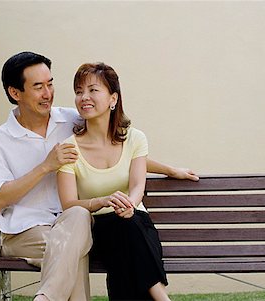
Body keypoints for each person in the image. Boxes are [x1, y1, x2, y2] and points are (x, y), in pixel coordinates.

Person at [0, 51, 198, 301]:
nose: (48, 93)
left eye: (50, 84)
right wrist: (45, 167)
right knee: (73, 248)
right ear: (15, 93)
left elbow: (116, 150)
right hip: (27, 231)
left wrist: (169, 170)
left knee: (77, 226)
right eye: (38, 87)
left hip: (77, 221)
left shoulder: (70, 120)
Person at [57, 62, 171, 301]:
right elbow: (68, 203)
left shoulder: (135, 138)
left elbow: (138, 184)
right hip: (97, 230)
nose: (84, 97)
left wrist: (130, 204)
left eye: (92, 90)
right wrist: (102, 201)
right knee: (126, 233)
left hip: (134, 222)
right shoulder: (69, 148)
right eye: (79, 91)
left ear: (113, 98)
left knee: (129, 228)